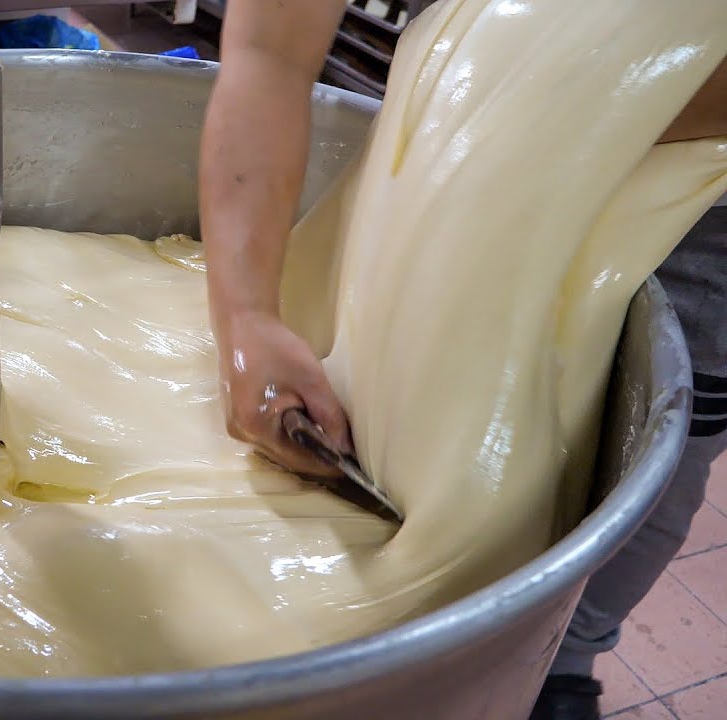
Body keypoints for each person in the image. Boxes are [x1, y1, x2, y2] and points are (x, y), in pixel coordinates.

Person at [198, 2, 727, 719]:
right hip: (472, 131)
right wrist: (247, 317)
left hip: (700, 206)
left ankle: (566, 657)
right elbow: (269, 51)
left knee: (665, 451)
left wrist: (602, 91)